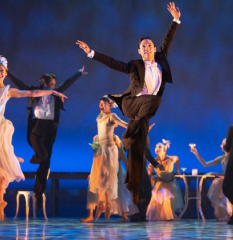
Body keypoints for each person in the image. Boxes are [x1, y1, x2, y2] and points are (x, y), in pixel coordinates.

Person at [76, 2, 181, 204]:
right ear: (139, 51)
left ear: (154, 49)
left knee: (137, 148)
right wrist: (91, 53)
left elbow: (168, 40)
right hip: (132, 104)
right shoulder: (134, 65)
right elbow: (114, 63)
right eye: (144, 46)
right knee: (154, 100)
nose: (147, 48)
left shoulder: (160, 60)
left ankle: (132, 187)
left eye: (150, 45)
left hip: (143, 113)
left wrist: (175, 20)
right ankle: (125, 116)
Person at [0, 35, 67, 221]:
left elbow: (31, 92)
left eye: (2, 71)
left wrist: (53, 91)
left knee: (1, 175)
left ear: (6, 73)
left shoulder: (8, 91)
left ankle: (0, 203)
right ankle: (10, 156)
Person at [4, 55, 86, 208]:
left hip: (50, 130)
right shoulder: (33, 92)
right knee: (42, 155)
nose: (53, 87)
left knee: (46, 162)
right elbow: (19, 84)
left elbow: (67, 83)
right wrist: (7, 73)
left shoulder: (56, 93)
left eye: (54, 85)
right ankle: (36, 157)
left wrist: (79, 73)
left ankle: (38, 192)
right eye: (51, 84)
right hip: (36, 128)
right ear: (44, 84)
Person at [81, 96, 128, 223]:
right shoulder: (99, 119)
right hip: (100, 151)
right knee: (96, 181)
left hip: (109, 151)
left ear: (110, 105)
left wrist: (139, 127)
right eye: (100, 103)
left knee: (109, 179)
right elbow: (95, 149)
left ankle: (107, 204)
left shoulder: (112, 116)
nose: (101, 105)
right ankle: (100, 206)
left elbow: (125, 125)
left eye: (104, 103)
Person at [146, 140, 183, 221]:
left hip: (170, 183)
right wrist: (151, 181)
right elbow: (149, 174)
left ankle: (168, 218)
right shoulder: (153, 162)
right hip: (161, 183)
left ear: (164, 150)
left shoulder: (170, 158)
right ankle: (163, 218)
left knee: (168, 200)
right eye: (156, 147)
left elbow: (177, 159)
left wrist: (177, 171)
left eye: (160, 147)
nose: (157, 148)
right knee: (160, 199)